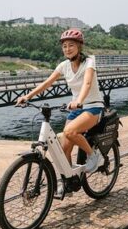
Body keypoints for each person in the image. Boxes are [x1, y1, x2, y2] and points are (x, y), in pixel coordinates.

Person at [16, 28, 103, 173]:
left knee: (69, 132)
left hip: (93, 107)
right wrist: (27, 96)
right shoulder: (64, 66)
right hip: (76, 109)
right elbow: (47, 83)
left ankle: (93, 155)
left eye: (71, 45)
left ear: (79, 46)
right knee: (64, 150)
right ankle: (68, 179)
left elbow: (87, 83)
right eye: (64, 46)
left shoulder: (89, 62)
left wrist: (79, 101)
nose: (67, 49)